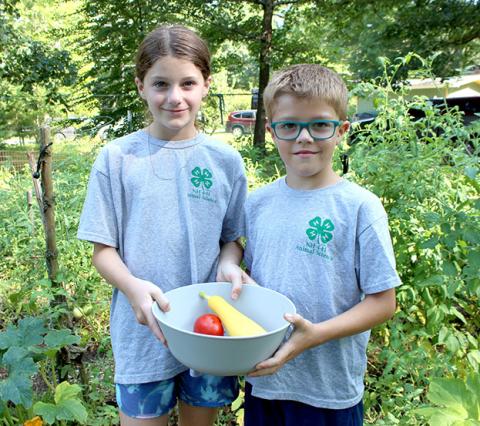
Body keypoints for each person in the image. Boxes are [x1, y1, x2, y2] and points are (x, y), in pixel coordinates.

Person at [78, 24, 252, 426]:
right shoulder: (118, 158)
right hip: (143, 331)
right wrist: (133, 288)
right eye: (161, 84)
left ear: (206, 85)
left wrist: (229, 263)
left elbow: (233, 238)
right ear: (141, 86)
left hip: (210, 330)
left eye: (188, 83)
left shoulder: (224, 161)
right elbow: (103, 251)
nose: (175, 97)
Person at [242, 64, 401, 426]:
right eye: (289, 125)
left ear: (341, 130)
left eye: (319, 124)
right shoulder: (257, 203)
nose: (304, 137)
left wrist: (314, 336)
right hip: (264, 380)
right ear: (271, 132)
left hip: (328, 390)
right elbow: (250, 271)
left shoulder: (360, 206)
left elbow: (383, 302)